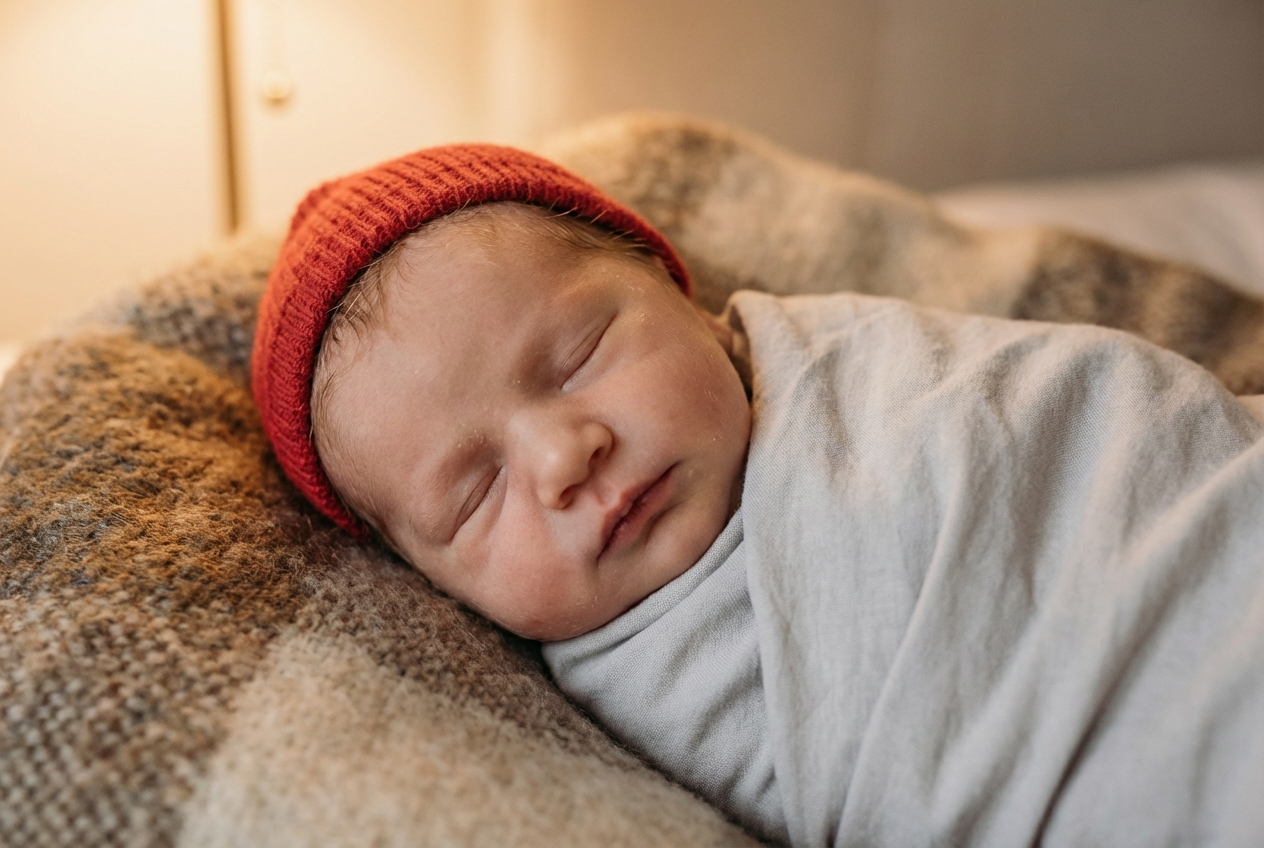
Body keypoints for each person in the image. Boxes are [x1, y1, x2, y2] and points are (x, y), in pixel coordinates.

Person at [253, 144, 1264, 847]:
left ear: (676, 291)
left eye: (579, 355)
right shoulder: (600, 712)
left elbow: (1089, 432)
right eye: (476, 492)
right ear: (434, 585)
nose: (564, 455)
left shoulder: (872, 380)